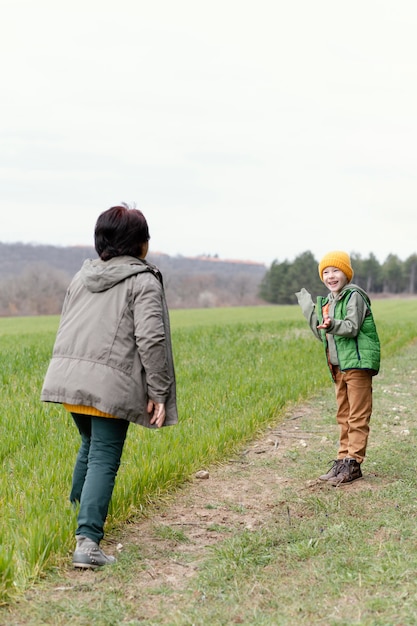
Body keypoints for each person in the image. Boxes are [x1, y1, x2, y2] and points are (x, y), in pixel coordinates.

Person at [41, 204, 178, 568]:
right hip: (108, 383)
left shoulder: (81, 276)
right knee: (103, 455)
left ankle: (73, 521)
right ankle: (87, 543)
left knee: (90, 446)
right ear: (140, 244)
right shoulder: (143, 280)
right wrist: (159, 391)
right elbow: (151, 340)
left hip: (70, 378)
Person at [296, 251, 380, 486]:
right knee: (343, 415)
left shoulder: (354, 296)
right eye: (325, 272)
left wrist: (333, 324)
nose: (331, 276)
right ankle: (343, 459)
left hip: (357, 363)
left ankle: (354, 462)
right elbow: (323, 334)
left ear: (346, 273)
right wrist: (308, 308)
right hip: (338, 366)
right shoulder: (329, 302)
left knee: (357, 415)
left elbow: (352, 327)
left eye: (336, 270)